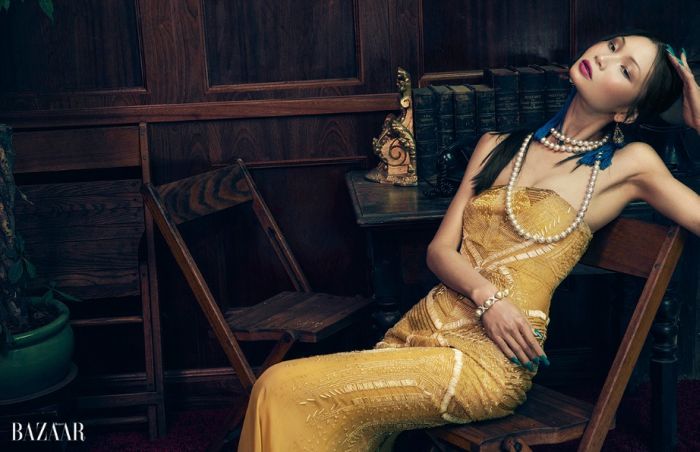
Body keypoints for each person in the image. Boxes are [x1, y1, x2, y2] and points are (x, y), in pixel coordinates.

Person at [237, 31, 700, 451]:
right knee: (281, 391)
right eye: (613, 46)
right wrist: (487, 298)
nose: (604, 57)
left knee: (280, 386)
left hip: (489, 360)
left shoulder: (630, 165)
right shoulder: (497, 145)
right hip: (424, 329)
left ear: (627, 112)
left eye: (625, 70)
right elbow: (439, 251)